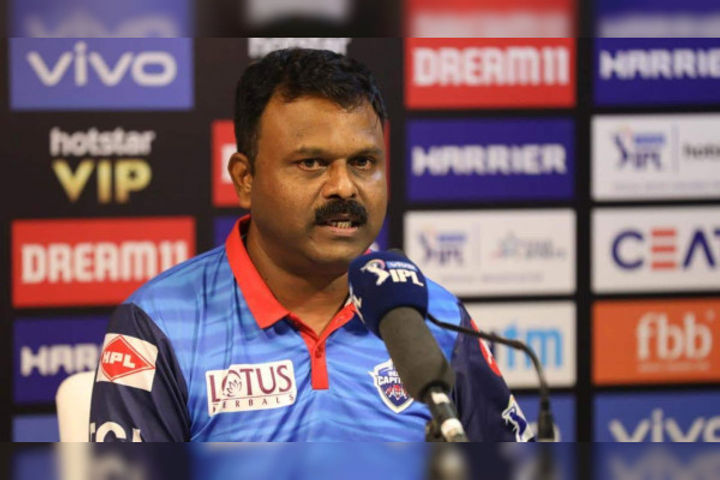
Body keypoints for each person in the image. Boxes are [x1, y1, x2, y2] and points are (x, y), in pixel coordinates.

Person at [89, 48, 532, 442]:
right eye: (312, 163)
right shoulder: (158, 322)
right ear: (245, 178)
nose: (344, 187)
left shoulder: (436, 316)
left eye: (363, 162)